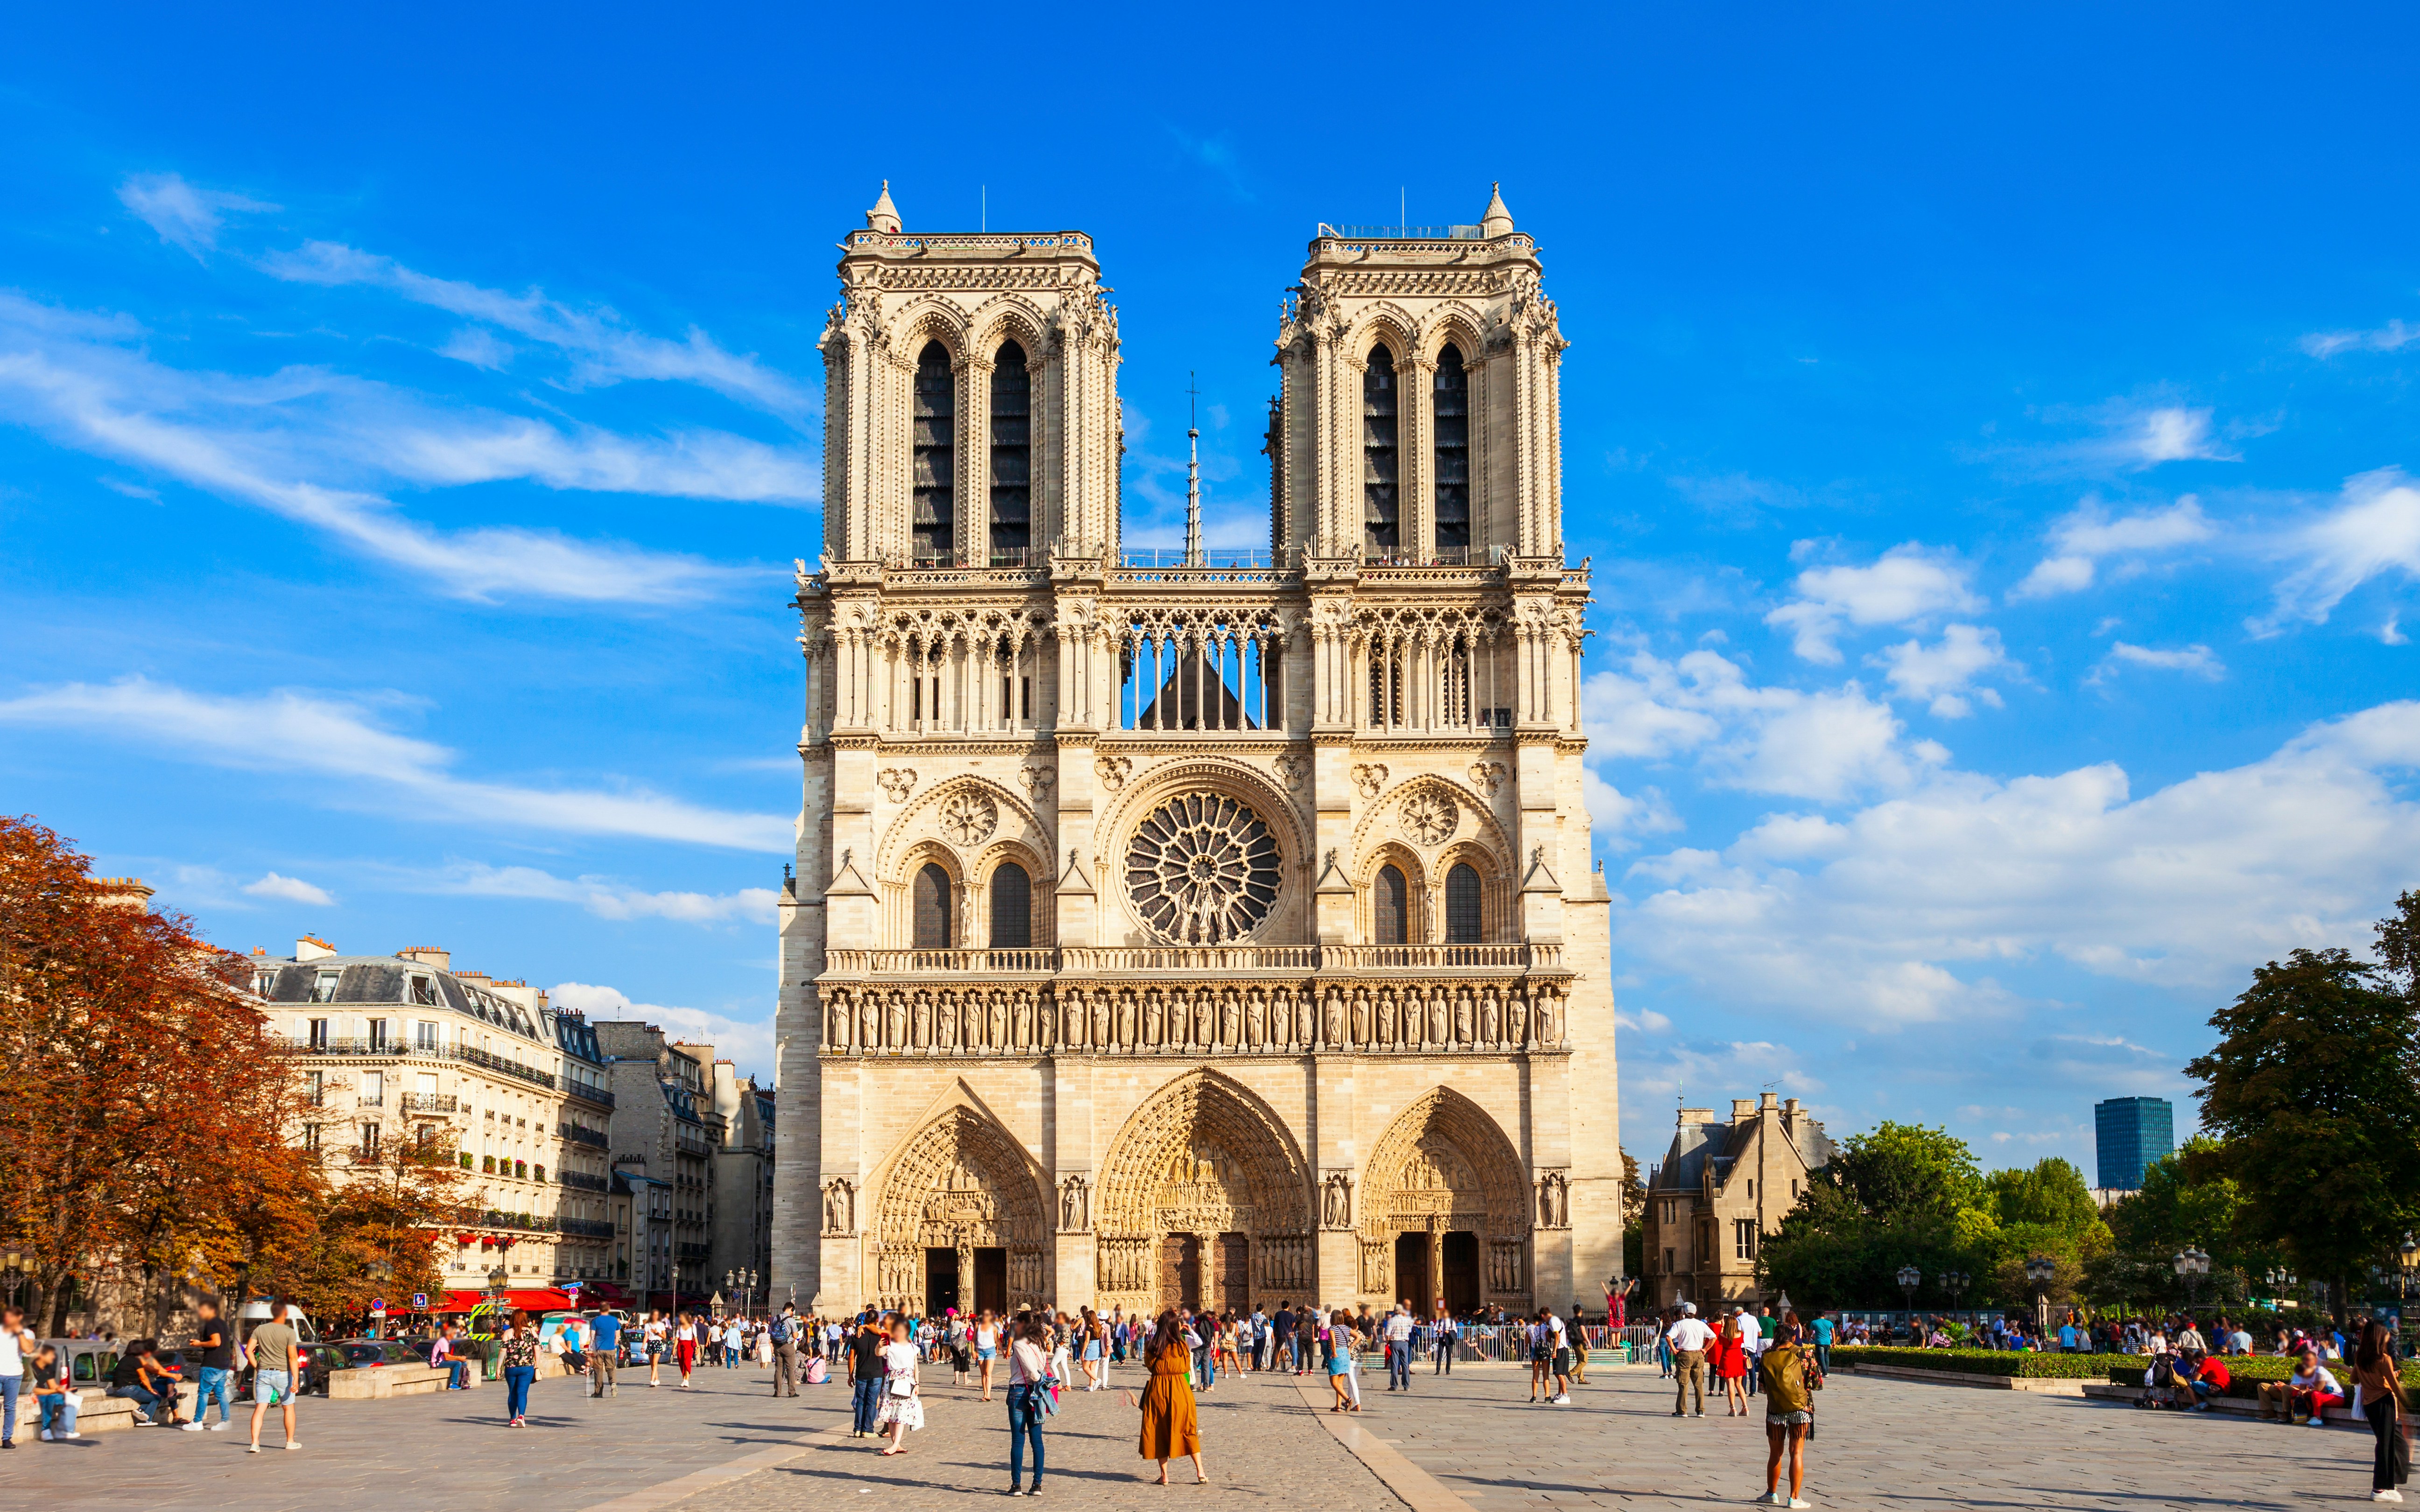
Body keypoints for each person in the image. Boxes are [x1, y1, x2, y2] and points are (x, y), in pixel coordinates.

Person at [1135, 1310, 1208, 1484]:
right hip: (1180, 1390)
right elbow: (1186, 1365)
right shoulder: (1182, 1345)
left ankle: (1164, 1476)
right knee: (1188, 1428)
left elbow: (1150, 1366)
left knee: (1159, 1430)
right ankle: (1201, 1472)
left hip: (1158, 1389)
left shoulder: (1153, 1346)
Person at [1759, 1315, 1816, 1509]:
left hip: (1775, 1410)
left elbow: (1762, 1387)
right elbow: (1816, 1384)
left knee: (1776, 1454)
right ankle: (1794, 1498)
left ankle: (1771, 1494)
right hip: (1801, 1408)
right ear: (1792, 1338)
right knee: (1796, 1452)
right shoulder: (1804, 1354)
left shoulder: (1766, 1354)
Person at [2352, 1319, 2410, 1502]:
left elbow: (2354, 1379)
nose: (2388, 1336)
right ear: (2379, 1336)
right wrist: (2406, 1402)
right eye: (2385, 1333)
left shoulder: (2361, 1357)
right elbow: (2393, 1386)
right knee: (2385, 1446)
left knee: (2391, 1444)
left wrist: (2372, 1377)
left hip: (2370, 1404)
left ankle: (2389, 1485)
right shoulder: (2384, 1359)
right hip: (2384, 1403)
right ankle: (2378, 1489)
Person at [245, 1299, 302, 1453]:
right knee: (288, 1408)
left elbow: (248, 1351)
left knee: (260, 1408)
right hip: (283, 1373)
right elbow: (292, 1357)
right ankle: (290, 1441)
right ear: (285, 1314)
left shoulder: (260, 1330)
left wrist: (258, 1367)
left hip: (263, 1373)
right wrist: (296, 1379)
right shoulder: (289, 1332)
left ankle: (255, 1443)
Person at [1005, 1314, 1051, 1496]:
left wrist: (1036, 1378)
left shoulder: (1019, 1343)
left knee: (1018, 1440)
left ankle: (1016, 1485)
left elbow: (1032, 1371)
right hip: (1037, 1393)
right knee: (1037, 1441)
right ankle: (1037, 1484)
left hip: (1020, 1392)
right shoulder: (1040, 1344)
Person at [186, 1298, 238, 1431]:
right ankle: (226, 1421)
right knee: (220, 1393)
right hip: (223, 1364)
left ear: (211, 1310)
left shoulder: (211, 1324)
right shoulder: (222, 1323)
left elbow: (216, 1342)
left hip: (212, 1364)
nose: (200, 1313)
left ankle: (197, 1422)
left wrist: (199, 1343)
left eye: (203, 1310)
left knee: (203, 1393)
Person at [876, 1316, 924, 1456]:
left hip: (907, 1381)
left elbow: (915, 1367)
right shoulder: (890, 1345)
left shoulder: (912, 1347)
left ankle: (894, 1446)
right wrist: (879, 1345)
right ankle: (896, 1445)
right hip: (892, 1380)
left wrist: (917, 1384)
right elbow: (878, 1353)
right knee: (892, 1415)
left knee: (901, 1415)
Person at [110, 1340, 185, 1427]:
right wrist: (151, 1390)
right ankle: (147, 1420)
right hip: (128, 1388)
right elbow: (144, 1378)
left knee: (149, 1397)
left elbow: (157, 1369)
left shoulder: (126, 1358)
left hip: (122, 1388)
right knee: (156, 1398)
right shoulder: (136, 1360)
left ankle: (141, 1411)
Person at [1667, 1302, 1714, 1418]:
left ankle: (1682, 1410)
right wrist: (1705, 1349)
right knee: (1699, 1384)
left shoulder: (1679, 1324)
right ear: (1695, 1313)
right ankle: (1700, 1410)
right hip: (1698, 1354)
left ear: (1684, 1312)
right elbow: (1713, 1337)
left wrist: (1674, 1349)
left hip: (1684, 1354)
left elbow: (1669, 1337)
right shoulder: (1701, 1324)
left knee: (1683, 1384)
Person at [499, 1309, 542, 1428]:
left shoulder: (508, 1332)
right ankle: (521, 1416)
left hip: (511, 1368)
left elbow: (503, 1351)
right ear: (525, 1319)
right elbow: (537, 1350)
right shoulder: (532, 1332)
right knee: (522, 1392)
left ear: (513, 1319)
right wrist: (537, 1365)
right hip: (527, 1368)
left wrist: (498, 1368)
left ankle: (513, 1419)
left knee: (512, 1392)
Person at [29, 1344, 80, 1441]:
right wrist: (53, 1391)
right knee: (49, 1398)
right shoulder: (32, 1368)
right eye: (51, 1355)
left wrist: (64, 1391)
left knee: (70, 1398)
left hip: (46, 1393)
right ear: (42, 1356)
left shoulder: (46, 1369)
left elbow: (53, 1386)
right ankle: (46, 1430)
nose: (53, 1357)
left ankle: (67, 1430)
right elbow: (33, 1390)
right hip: (33, 1396)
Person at [849, 1316, 887, 1438]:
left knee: (860, 1402)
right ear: (877, 1321)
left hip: (861, 1373)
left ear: (865, 1321)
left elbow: (851, 1357)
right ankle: (868, 1430)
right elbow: (887, 1332)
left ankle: (858, 1429)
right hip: (876, 1373)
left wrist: (850, 1375)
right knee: (872, 1402)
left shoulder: (857, 1336)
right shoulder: (881, 1336)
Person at [1717, 1313, 1749, 1416]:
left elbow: (1719, 1339)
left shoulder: (1723, 1336)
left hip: (1727, 1359)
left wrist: (1722, 1326)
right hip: (1738, 1359)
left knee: (1730, 1384)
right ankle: (1745, 1407)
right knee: (1739, 1384)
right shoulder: (1741, 1334)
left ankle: (1733, 1408)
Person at [1384, 1301, 1415, 1392]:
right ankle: (1406, 1385)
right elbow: (1410, 1328)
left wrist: (1388, 1341)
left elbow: (1388, 1333)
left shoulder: (1392, 1320)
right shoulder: (1407, 1320)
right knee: (1405, 1364)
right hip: (1404, 1343)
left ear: (1394, 1311)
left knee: (1394, 1364)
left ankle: (1394, 1385)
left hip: (1395, 1343)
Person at [589, 1312, 621, 1397]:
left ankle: (598, 1392)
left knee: (598, 1370)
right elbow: (618, 1335)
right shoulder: (615, 1320)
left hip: (599, 1350)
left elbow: (592, 1337)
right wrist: (614, 1344)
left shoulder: (596, 1321)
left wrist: (592, 1349)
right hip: (610, 1349)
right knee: (611, 1369)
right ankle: (613, 1383)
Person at [770, 1306, 799, 1397]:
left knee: (779, 1369)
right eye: (793, 1311)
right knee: (790, 1368)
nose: (793, 1313)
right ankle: (792, 1392)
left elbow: (773, 1330)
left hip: (777, 1346)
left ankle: (777, 1392)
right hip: (787, 1346)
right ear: (791, 1309)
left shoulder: (776, 1318)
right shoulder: (791, 1320)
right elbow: (795, 1336)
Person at [975, 1310, 1000, 1402]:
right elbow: (974, 1340)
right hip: (980, 1351)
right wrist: (973, 1351)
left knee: (988, 1372)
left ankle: (988, 1394)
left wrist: (1004, 1351)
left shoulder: (994, 1327)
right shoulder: (978, 1326)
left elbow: (997, 1340)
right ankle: (985, 1393)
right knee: (983, 1374)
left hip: (990, 1350)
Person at [675, 1313, 698, 1388]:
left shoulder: (693, 1326)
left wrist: (697, 1348)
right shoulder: (679, 1327)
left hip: (689, 1345)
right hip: (681, 1345)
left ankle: (687, 1380)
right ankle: (684, 1378)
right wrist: (674, 1348)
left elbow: (696, 1337)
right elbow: (677, 1338)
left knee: (687, 1362)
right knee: (681, 1362)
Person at [1434, 1308, 1459, 1375]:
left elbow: (1455, 1331)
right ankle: (1438, 1370)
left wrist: (1449, 1332)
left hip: (1449, 1338)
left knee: (1449, 1355)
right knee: (1440, 1354)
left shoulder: (1451, 1322)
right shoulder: (1439, 1321)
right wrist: (1438, 1330)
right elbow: (1435, 1328)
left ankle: (1448, 1370)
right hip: (1442, 1338)